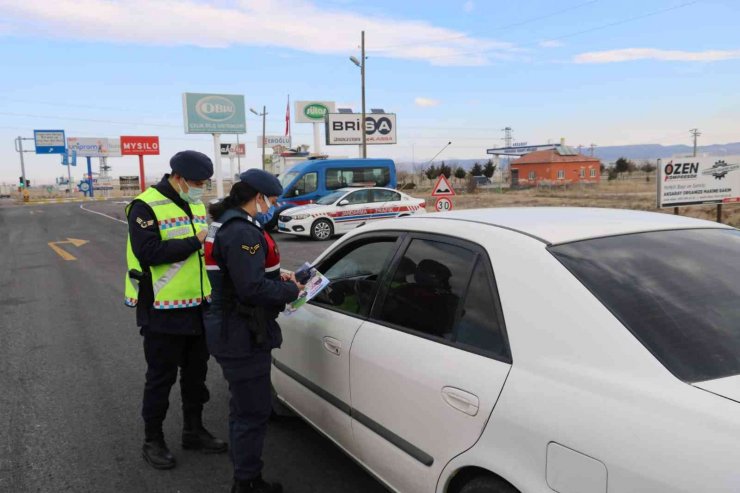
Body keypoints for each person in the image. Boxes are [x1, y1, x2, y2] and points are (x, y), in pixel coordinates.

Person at [124, 150, 227, 470]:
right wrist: (195, 241)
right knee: (160, 378)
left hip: (197, 305)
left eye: (205, 183)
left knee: (196, 376)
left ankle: (193, 431)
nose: (201, 189)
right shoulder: (145, 205)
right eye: (197, 182)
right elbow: (148, 252)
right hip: (162, 308)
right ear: (177, 177)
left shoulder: (195, 203)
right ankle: (152, 439)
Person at [204, 169, 303, 493]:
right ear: (257, 197)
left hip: (234, 327)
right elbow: (250, 288)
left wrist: (278, 279)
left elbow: (245, 277)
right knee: (252, 411)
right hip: (239, 331)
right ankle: (246, 482)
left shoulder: (231, 223)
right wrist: (291, 292)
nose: (273, 207)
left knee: (243, 407)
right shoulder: (241, 232)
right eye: (272, 201)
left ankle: (244, 475)